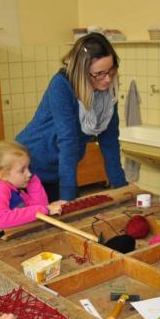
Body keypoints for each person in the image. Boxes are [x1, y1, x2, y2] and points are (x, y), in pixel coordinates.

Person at [16, 32, 127, 202]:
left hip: (63, 167)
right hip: (32, 165)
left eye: (111, 71)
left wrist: (122, 188)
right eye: (99, 74)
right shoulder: (62, 85)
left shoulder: (108, 91)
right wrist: (67, 199)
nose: (107, 79)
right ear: (82, 72)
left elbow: (109, 139)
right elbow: (68, 140)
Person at [0, 140, 65, 229]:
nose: (29, 173)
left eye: (28, 167)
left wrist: (33, 181)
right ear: (3, 175)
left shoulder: (15, 190)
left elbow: (41, 206)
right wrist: (43, 210)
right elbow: (1, 220)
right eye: (22, 170)